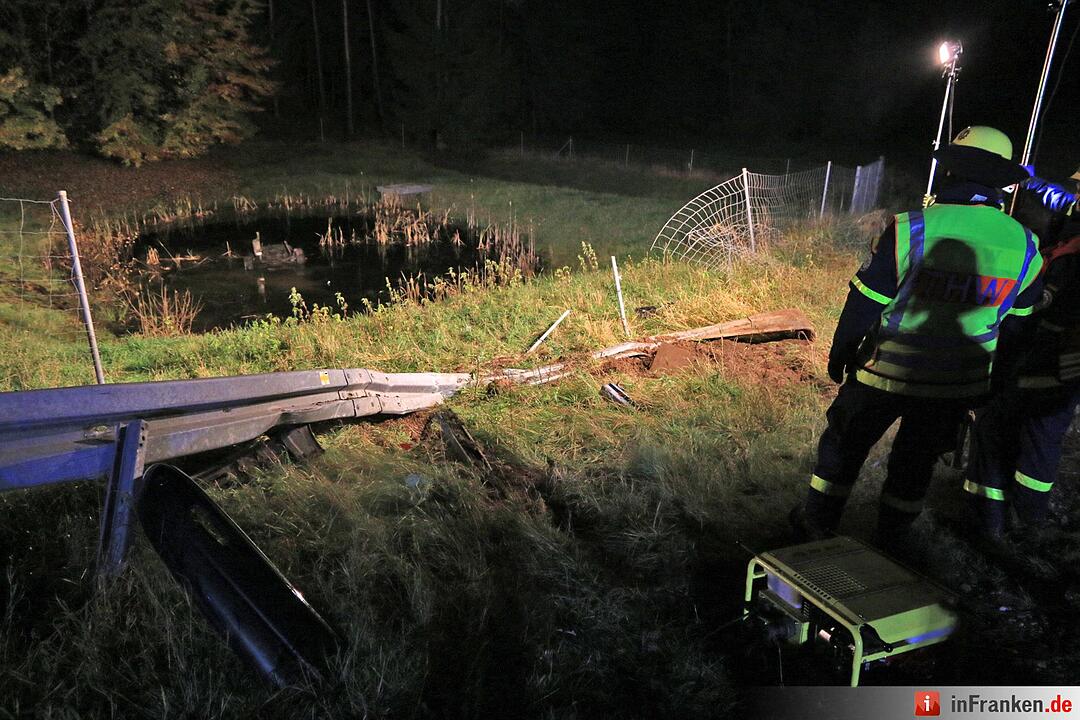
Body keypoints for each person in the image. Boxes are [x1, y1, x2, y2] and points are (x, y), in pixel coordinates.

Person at [790, 126, 1043, 544]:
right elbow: (1018, 329)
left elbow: (866, 302)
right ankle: (891, 538)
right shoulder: (1027, 246)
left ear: (949, 174)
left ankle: (817, 521)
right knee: (915, 463)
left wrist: (840, 351)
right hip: (955, 387)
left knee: (844, 448)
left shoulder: (911, 227)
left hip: (883, 374)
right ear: (1002, 182)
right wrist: (993, 385)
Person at [965, 164, 1080, 538]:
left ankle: (994, 521)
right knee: (1037, 434)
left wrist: (1021, 297)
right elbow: (1058, 197)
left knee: (998, 427)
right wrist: (1027, 180)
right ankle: (1027, 520)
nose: (1076, 198)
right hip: (1059, 357)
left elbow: (1051, 305)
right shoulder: (1072, 227)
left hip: (1053, 354)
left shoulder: (1075, 252)